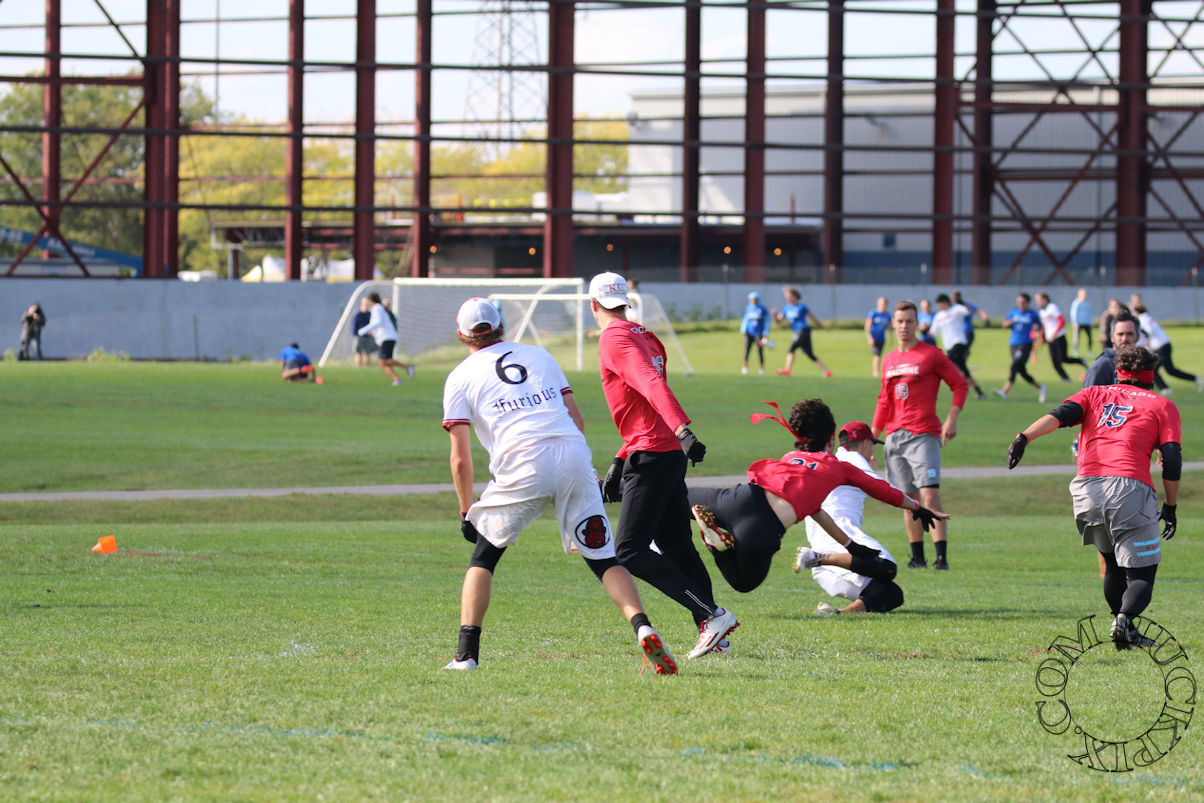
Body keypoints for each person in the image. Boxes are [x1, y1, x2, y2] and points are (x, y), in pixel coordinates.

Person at [441, 297, 677, 675]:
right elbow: (575, 418)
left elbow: (460, 459)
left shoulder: (459, 376)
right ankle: (642, 627)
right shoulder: (540, 355)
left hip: (523, 463)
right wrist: (581, 471)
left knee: (484, 558)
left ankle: (466, 655)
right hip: (571, 453)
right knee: (604, 559)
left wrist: (466, 510)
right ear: (501, 325)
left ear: (461, 334)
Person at [590, 272, 738, 660]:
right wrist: (621, 455)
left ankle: (712, 615)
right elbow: (644, 403)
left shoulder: (612, 338)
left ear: (592, 305)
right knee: (677, 546)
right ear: (625, 301)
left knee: (629, 550)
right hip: (665, 452)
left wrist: (682, 429)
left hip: (655, 453)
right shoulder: (646, 335)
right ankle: (714, 633)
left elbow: (651, 384)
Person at [1007, 345, 1181, 650]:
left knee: (1112, 564)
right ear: (1151, 375)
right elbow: (1172, 460)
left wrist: (1024, 437)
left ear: (1118, 372)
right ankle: (1124, 620)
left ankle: (1124, 633)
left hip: (1086, 488)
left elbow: (1059, 416)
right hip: (1128, 488)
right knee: (1142, 576)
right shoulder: (1163, 405)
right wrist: (1170, 505)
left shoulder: (1094, 393)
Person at [686, 400, 945, 595]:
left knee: (676, 496)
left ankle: (673, 544)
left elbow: (816, 510)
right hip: (762, 528)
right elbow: (882, 490)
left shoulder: (791, 457)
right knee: (743, 584)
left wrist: (850, 546)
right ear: (831, 440)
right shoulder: (838, 468)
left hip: (737, 498)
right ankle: (717, 546)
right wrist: (917, 507)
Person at [872, 300, 967, 570]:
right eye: (900, 321)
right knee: (907, 499)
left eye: (909, 321)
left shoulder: (931, 354)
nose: (904, 326)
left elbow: (959, 385)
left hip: (924, 435)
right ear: (893, 324)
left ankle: (941, 558)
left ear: (917, 323)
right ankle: (917, 558)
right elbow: (884, 401)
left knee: (929, 495)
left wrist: (952, 418)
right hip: (894, 437)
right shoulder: (889, 360)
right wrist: (873, 437)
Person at [796, 421, 908, 615]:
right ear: (865, 444)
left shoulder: (834, 458)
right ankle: (818, 559)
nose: (873, 450)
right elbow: (883, 489)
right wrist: (917, 507)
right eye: (873, 444)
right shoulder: (854, 459)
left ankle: (835, 614)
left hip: (827, 554)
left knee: (892, 594)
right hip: (839, 537)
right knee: (888, 568)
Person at [1133, 304, 1202, 395]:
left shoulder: (1142, 319)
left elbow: (1148, 331)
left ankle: (1165, 389)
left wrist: (1147, 344)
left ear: (1136, 312)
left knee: (1152, 369)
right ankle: (1195, 378)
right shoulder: (1148, 317)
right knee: (1170, 370)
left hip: (1161, 347)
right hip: (1164, 345)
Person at [931, 293, 987, 400]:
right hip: (948, 346)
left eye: (940, 304)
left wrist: (961, 302)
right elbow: (932, 332)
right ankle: (978, 391)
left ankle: (962, 386)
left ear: (945, 303)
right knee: (963, 370)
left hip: (959, 343)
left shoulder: (956, 309)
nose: (938, 306)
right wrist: (923, 329)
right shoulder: (938, 316)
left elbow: (968, 310)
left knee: (948, 362)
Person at [996, 292, 1046, 402]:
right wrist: (1011, 321)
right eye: (1019, 302)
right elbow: (1004, 325)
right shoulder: (1014, 312)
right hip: (1013, 343)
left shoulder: (1032, 314)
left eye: (1023, 302)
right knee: (1021, 371)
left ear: (1028, 303)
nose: (1020, 304)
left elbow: (1040, 326)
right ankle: (1040, 387)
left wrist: (1038, 331)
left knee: (1014, 365)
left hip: (1026, 343)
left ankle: (1004, 391)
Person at [774, 287, 832, 378]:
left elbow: (813, 318)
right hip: (797, 332)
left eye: (789, 296)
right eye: (786, 297)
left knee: (792, 348)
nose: (787, 299)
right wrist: (774, 315)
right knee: (809, 353)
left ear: (794, 296)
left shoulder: (802, 307)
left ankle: (787, 370)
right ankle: (827, 372)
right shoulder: (787, 308)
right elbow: (778, 321)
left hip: (804, 330)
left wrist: (824, 327)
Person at [357, 292, 414, 386]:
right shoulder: (377, 309)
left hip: (387, 337)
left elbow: (378, 322)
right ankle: (397, 380)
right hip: (385, 338)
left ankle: (408, 368)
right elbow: (379, 324)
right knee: (382, 363)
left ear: (370, 300)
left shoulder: (377, 308)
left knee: (384, 361)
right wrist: (372, 332)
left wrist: (364, 330)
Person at [1035, 292, 1087, 383]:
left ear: (1045, 299)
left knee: (1063, 359)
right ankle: (1066, 379)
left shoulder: (1052, 307)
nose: (1037, 302)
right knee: (1054, 362)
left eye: (1039, 300)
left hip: (1059, 337)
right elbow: (1045, 325)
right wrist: (1041, 335)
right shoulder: (1041, 311)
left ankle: (1080, 361)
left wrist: (1054, 334)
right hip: (1050, 339)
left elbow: (1062, 321)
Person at [1083, 310, 1139, 388]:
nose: (1124, 339)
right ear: (1112, 337)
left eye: (1129, 334)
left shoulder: (1141, 366)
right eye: (1120, 334)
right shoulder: (1101, 367)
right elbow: (1089, 395)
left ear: (1138, 337)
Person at [951, 290, 990, 361]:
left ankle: (961, 364)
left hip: (967, 332)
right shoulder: (953, 307)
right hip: (959, 333)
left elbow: (980, 311)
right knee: (959, 350)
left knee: (962, 350)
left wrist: (986, 319)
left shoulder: (964, 306)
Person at [739, 291, 771, 375]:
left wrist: (766, 332)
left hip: (759, 333)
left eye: (755, 299)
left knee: (760, 350)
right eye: (752, 299)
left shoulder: (763, 309)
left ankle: (761, 368)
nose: (753, 301)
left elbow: (767, 321)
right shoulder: (749, 308)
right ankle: (744, 367)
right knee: (747, 350)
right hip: (749, 333)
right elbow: (746, 320)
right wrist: (743, 329)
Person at [864, 296, 891, 377]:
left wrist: (891, 338)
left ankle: (877, 371)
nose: (882, 305)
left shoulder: (887, 315)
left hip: (881, 338)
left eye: (884, 304)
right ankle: (875, 372)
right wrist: (870, 337)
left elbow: (889, 327)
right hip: (874, 337)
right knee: (877, 355)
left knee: (879, 355)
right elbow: (867, 326)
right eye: (881, 303)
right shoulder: (874, 313)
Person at [352, 297, 376, 367]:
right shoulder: (358, 315)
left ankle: (367, 366)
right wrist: (356, 335)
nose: (366, 305)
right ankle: (358, 367)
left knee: (368, 352)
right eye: (364, 303)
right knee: (358, 352)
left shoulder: (370, 314)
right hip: (359, 337)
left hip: (368, 336)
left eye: (367, 303)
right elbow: (354, 326)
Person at [1069, 288, 1093, 357]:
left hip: (1087, 322)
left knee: (1089, 337)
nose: (1084, 295)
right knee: (1077, 337)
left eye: (1085, 294)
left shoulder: (1088, 302)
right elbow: (1073, 313)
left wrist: (1091, 321)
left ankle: (1089, 350)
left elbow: (1090, 312)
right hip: (1078, 323)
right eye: (1083, 294)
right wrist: (1075, 322)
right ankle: (1075, 351)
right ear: (1079, 295)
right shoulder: (1076, 303)